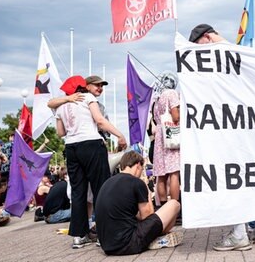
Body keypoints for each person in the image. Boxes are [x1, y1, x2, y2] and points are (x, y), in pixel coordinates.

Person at [189, 24, 255, 251]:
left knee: (233, 178)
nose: (198, 52)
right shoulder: (245, 52)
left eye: (198, 46)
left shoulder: (216, 57)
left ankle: (239, 234)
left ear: (206, 37)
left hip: (232, 128)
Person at [55, 76, 127, 249]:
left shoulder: (61, 105)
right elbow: (100, 121)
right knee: (100, 189)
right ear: (83, 87)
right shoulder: (88, 98)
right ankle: (103, 234)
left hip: (71, 148)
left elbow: (60, 132)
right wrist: (120, 135)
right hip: (92, 144)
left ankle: (79, 236)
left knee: (78, 192)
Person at [96, 151, 181, 255]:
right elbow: (148, 216)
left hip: (107, 246)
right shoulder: (136, 182)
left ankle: (155, 235)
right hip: (128, 244)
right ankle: (156, 236)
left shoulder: (107, 182)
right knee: (174, 204)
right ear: (138, 165)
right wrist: (147, 190)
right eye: (142, 168)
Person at [152, 71, 181, 210]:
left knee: (161, 174)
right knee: (174, 172)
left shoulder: (156, 98)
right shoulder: (172, 94)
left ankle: (163, 208)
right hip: (171, 134)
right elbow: (175, 116)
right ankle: (175, 208)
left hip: (159, 136)